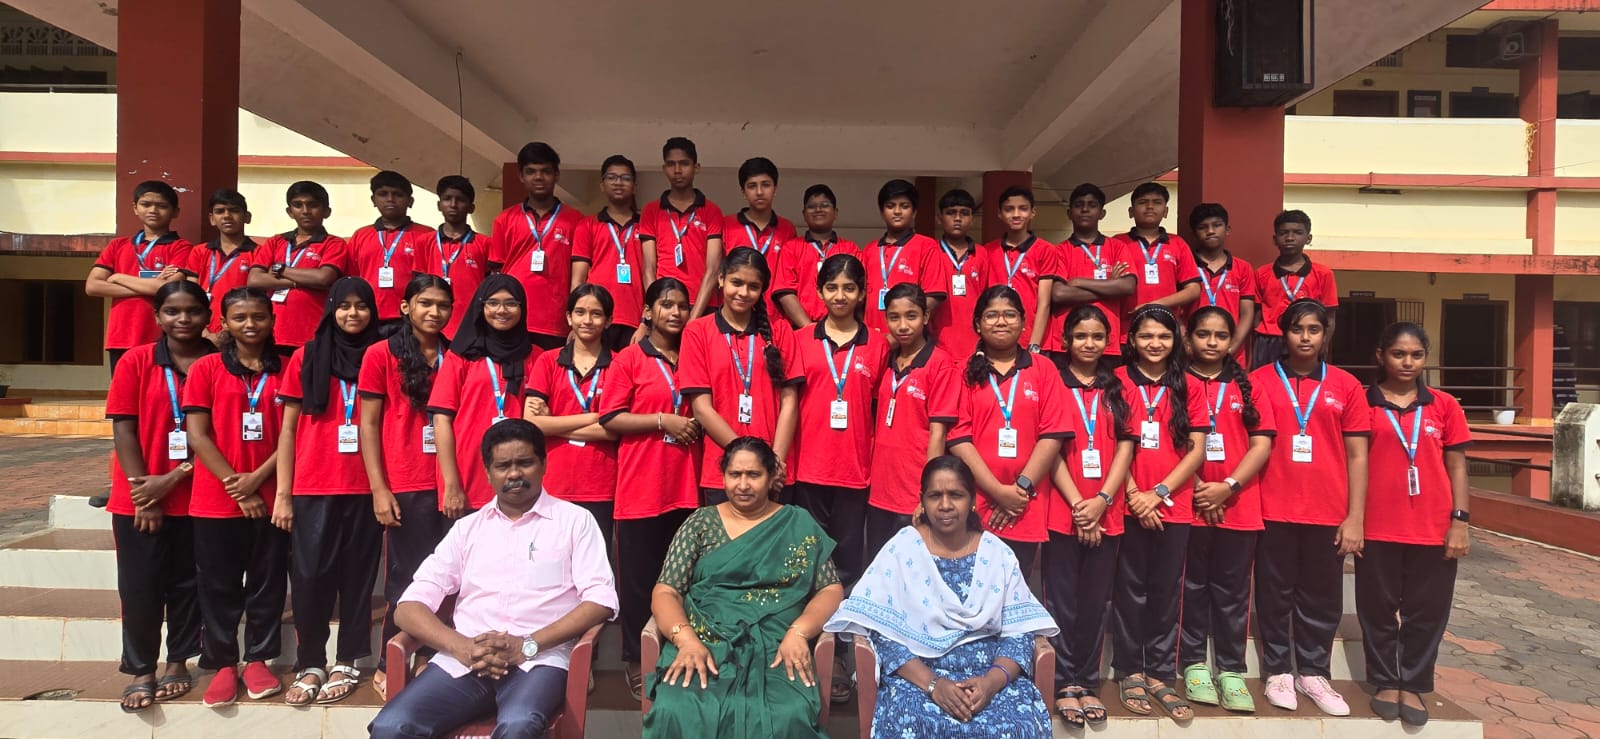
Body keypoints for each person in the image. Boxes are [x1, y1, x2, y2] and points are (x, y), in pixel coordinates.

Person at [367, 419, 619, 739]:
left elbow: (600, 600)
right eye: (503, 466)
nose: (514, 474)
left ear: (543, 464)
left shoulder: (575, 522)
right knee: (391, 726)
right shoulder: (467, 529)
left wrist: (527, 645)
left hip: (539, 659)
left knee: (519, 725)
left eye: (524, 463)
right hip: (466, 660)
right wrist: (460, 646)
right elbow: (407, 607)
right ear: (488, 473)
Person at [826, 456, 1058, 738]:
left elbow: (1019, 632)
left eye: (956, 495)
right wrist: (934, 684)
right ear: (922, 501)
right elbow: (881, 633)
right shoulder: (902, 550)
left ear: (972, 501)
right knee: (912, 723)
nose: (945, 505)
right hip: (917, 678)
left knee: (1019, 725)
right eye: (935, 495)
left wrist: (990, 683)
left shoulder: (997, 554)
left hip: (989, 675)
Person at [642, 437, 844, 739]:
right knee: (676, 708)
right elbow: (667, 590)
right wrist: (686, 641)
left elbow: (830, 589)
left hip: (778, 644)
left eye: (754, 475)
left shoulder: (797, 522)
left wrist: (799, 632)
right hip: (704, 639)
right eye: (734, 474)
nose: (743, 485)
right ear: (723, 476)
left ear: (772, 476)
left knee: (788, 714)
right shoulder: (700, 523)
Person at [1250, 298, 1369, 715]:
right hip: (1272, 506)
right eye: (1297, 329)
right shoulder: (1260, 381)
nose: (1305, 337)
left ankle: (1314, 672)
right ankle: (1278, 670)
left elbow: (1358, 455)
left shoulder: (1346, 385)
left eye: (1314, 330)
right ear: (1283, 333)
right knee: (1274, 593)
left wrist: (1355, 517)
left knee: (1321, 596)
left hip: (1327, 510)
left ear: (1325, 334)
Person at [272, 277, 384, 705]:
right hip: (313, 484)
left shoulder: (381, 355)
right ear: (331, 309)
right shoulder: (307, 355)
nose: (353, 314)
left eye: (362, 306)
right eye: (344, 306)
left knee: (357, 578)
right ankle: (311, 661)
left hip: (364, 486)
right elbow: (287, 430)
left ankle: (348, 659)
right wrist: (283, 493)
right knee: (309, 577)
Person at [104, 280, 215, 712]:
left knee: (189, 584)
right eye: (172, 311)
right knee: (140, 585)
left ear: (208, 316)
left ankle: (178, 662)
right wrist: (145, 494)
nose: (183, 319)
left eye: (193, 311)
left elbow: (219, 434)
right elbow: (123, 428)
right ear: (157, 317)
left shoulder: (219, 362)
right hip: (139, 496)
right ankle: (140, 668)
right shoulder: (136, 361)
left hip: (199, 495)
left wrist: (175, 477)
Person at [1358, 322, 1471, 727]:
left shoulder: (1443, 405)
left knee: (1428, 612)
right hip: (1376, 526)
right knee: (1377, 609)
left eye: (1416, 355)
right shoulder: (1364, 402)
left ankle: (1415, 682)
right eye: (1398, 354)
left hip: (1433, 528)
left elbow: (1457, 466)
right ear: (1381, 356)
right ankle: (1386, 681)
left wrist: (1460, 520)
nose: (1408, 362)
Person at [182, 287, 289, 707]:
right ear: (224, 322)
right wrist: (237, 486)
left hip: (273, 494)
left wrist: (257, 479)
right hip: (216, 497)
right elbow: (197, 435)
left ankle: (259, 658)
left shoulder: (286, 368)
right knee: (218, 584)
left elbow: (293, 433)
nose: (250, 324)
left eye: (259, 316)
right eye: (240, 317)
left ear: (272, 320)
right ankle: (223, 662)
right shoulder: (206, 368)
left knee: (267, 581)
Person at [598, 278, 704, 700]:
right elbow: (610, 417)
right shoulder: (629, 358)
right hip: (642, 487)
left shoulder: (694, 353)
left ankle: (678, 652)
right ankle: (634, 657)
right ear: (647, 312)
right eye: (666, 305)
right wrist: (663, 420)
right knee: (640, 581)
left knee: (684, 580)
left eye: (682, 306)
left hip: (687, 486)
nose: (675, 313)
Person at [1109, 304, 1207, 722]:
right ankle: (1129, 669)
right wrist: (1135, 495)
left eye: (1164, 336)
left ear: (1176, 341)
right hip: (1127, 504)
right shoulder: (1116, 380)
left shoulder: (1190, 384)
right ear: (1132, 340)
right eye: (1147, 335)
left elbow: (1196, 451)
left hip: (1173, 505)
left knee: (1167, 591)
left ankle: (1161, 672)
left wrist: (1159, 494)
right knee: (1130, 589)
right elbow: (1111, 443)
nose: (1155, 343)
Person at [358, 274, 454, 697]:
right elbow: (368, 424)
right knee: (406, 577)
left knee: (451, 578)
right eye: (425, 303)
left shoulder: (456, 354)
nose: (434, 312)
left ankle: (435, 655)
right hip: (405, 481)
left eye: (442, 305)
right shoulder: (380, 354)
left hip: (451, 482)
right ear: (405, 307)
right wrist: (379, 489)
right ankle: (390, 659)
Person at [1179, 306, 1275, 713]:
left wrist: (1227, 487)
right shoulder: (1175, 382)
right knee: (1191, 587)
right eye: (1203, 334)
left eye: (1221, 335)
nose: (1212, 342)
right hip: (1189, 502)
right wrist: (1199, 488)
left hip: (1238, 504)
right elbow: (1167, 442)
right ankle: (1193, 663)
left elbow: (1262, 444)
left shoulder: (1248, 386)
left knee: (1233, 592)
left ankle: (1231, 668)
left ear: (1232, 341)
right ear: (1189, 339)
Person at [1042, 305, 1134, 727]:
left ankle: (1087, 680)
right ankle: (1064, 682)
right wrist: (1081, 505)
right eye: (1080, 336)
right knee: (1061, 602)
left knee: (1096, 602)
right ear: (1065, 341)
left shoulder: (1117, 386)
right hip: (1064, 510)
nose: (1089, 344)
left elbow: (1126, 446)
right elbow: (1050, 448)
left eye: (1098, 336)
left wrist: (1102, 500)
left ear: (1108, 342)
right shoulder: (1052, 382)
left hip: (1106, 511)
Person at [946, 286, 1071, 573]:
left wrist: (1019, 490)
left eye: (1010, 315)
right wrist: (997, 492)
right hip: (975, 502)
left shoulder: (1044, 369)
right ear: (978, 324)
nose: (1001, 322)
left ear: (1024, 322)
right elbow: (959, 437)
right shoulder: (963, 371)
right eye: (991, 315)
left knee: (1016, 586)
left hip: (1024, 504)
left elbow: (1052, 435)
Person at [789, 254, 889, 594]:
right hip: (809, 467)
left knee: (847, 557)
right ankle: (809, 616)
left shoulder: (878, 344)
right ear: (819, 292)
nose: (840, 296)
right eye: (832, 287)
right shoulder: (801, 339)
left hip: (855, 468)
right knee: (809, 554)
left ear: (862, 293)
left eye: (849, 288)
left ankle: (843, 617)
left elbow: (877, 406)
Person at [680, 247, 802, 503]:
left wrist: (773, 462)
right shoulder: (697, 332)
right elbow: (702, 408)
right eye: (736, 283)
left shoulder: (780, 330)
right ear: (721, 279)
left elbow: (789, 401)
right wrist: (748, 460)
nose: (744, 293)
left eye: (753, 286)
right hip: (724, 470)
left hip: (775, 471)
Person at [428, 275, 539, 517]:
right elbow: (441, 420)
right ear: (481, 306)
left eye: (511, 303)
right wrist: (451, 485)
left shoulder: (537, 356)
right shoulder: (461, 356)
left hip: (521, 480)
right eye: (493, 303)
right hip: (468, 479)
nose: (502, 310)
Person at [525, 284, 621, 555]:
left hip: (601, 483)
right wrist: (593, 417)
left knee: (594, 561)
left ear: (609, 320)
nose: (587, 320)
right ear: (568, 317)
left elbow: (614, 430)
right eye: (579, 312)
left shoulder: (619, 364)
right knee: (549, 559)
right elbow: (532, 424)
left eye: (596, 314)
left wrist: (554, 423)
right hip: (553, 481)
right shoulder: (548, 361)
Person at [868, 283, 958, 562]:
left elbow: (938, 434)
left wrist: (929, 492)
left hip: (913, 491)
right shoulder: (885, 359)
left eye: (911, 316)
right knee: (880, 566)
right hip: (880, 489)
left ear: (926, 317)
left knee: (915, 569)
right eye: (894, 317)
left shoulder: (940, 363)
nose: (903, 325)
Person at [488, 142, 587, 351]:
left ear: (556, 175)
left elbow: (579, 277)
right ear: (521, 176)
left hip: (556, 321)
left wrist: (575, 317)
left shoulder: (576, 221)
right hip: (512, 317)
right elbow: (496, 275)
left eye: (546, 171)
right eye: (531, 171)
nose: (539, 177)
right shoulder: (504, 219)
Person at [86, 179, 193, 373]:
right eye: (146, 204)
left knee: (161, 389)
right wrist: (151, 285)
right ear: (135, 208)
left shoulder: (181, 247)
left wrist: (118, 277)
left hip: (161, 336)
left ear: (175, 212)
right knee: (123, 389)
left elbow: (167, 289)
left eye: (162, 206)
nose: (153, 210)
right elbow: (92, 286)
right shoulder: (117, 245)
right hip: (121, 336)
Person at [247, 181, 348, 354]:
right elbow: (254, 280)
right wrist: (301, 281)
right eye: (298, 205)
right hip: (270, 333)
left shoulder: (334, 243)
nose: (305, 211)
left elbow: (323, 278)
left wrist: (280, 270)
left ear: (327, 211)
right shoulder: (275, 241)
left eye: (313, 205)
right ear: (289, 211)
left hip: (312, 334)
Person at [1052, 183, 1135, 370]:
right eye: (1079, 205)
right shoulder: (1059, 251)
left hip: (1107, 342)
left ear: (1102, 213)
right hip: (1066, 342)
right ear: (1069, 213)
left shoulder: (1117, 247)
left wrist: (1079, 282)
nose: (1085, 209)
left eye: (1092, 205)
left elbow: (1127, 287)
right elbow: (1059, 294)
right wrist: (1110, 286)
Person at [640, 137, 724, 317]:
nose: (677, 170)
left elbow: (713, 269)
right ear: (664, 169)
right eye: (671, 164)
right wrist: (657, 307)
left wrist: (694, 318)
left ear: (696, 167)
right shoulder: (651, 210)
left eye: (684, 163)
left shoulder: (712, 211)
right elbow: (648, 269)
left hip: (704, 305)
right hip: (665, 305)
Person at [573, 154, 647, 350]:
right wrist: (576, 321)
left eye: (625, 178)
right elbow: (578, 279)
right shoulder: (587, 225)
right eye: (611, 177)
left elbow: (652, 274)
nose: (618, 183)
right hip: (596, 318)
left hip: (636, 321)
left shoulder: (647, 225)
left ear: (635, 186)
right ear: (602, 184)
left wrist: (646, 322)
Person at [1252, 210, 1338, 370]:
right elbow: (1256, 315)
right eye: (1283, 233)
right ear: (1275, 239)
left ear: (1308, 238)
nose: (1290, 238)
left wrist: (1323, 344)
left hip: (1305, 339)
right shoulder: (1262, 273)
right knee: (1265, 382)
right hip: (1269, 340)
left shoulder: (1323, 274)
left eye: (1297, 232)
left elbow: (1330, 317)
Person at [350, 170, 434, 332]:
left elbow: (431, 281)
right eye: (383, 194)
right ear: (373, 200)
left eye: (398, 194)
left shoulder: (426, 235)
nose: (390, 199)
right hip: (368, 318)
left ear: (410, 201)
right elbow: (353, 279)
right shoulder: (360, 235)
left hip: (411, 319)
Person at [982, 186, 1059, 354]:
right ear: (999, 213)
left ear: (1033, 212)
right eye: (1009, 209)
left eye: (1023, 208)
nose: (1016, 214)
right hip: (996, 337)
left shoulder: (1046, 250)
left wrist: (1034, 344)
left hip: (1032, 340)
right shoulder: (987, 250)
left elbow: (1044, 302)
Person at [772, 184, 861, 328]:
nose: (818, 209)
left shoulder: (850, 248)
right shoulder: (791, 248)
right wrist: (809, 330)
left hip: (844, 329)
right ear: (804, 214)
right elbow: (785, 293)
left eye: (825, 205)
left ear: (835, 212)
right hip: (802, 329)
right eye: (812, 206)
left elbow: (859, 292)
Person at [1107, 183, 1201, 318]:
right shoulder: (1117, 242)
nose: (1150, 206)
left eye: (1157, 202)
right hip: (1126, 323)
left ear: (1166, 211)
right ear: (1131, 211)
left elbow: (1193, 289)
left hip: (1166, 323)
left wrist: (1154, 305)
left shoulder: (1178, 243)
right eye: (1143, 202)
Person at [864, 179, 945, 334]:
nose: (897, 211)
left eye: (904, 206)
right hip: (872, 336)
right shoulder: (870, 249)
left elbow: (933, 297)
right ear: (882, 212)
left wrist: (904, 327)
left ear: (914, 212)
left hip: (909, 336)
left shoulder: (927, 246)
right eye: (890, 206)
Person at [185, 189, 258, 340]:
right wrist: (203, 332)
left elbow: (260, 299)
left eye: (234, 210)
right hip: (200, 331)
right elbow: (190, 294)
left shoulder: (259, 253)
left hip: (241, 332)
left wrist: (225, 335)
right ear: (212, 219)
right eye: (220, 211)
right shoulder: (199, 251)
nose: (226, 216)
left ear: (247, 217)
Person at [1188, 204, 1257, 357]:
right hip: (1193, 350)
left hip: (1232, 352)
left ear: (1227, 229)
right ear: (1194, 233)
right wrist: (1186, 344)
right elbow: (1177, 311)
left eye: (1217, 225)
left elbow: (1247, 313)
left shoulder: (1243, 268)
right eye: (1203, 227)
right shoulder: (1186, 264)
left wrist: (1232, 347)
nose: (1210, 231)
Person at [928, 189, 988, 359]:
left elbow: (987, 299)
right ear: (939, 218)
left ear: (972, 219)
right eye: (951, 213)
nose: (957, 218)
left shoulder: (982, 254)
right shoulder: (930, 252)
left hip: (975, 343)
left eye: (964, 213)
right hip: (936, 343)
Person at [426, 175, 487, 340]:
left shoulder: (485, 244)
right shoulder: (424, 242)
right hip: (433, 323)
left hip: (473, 326)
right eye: (447, 199)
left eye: (460, 199)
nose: (453, 204)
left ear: (471, 207)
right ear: (439, 205)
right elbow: (417, 286)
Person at [721, 157, 797, 268]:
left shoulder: (787, 229)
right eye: (752, 186)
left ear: (775, 189)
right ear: (743, 192)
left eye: (766, 185)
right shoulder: (726, 225)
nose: (759, 192)